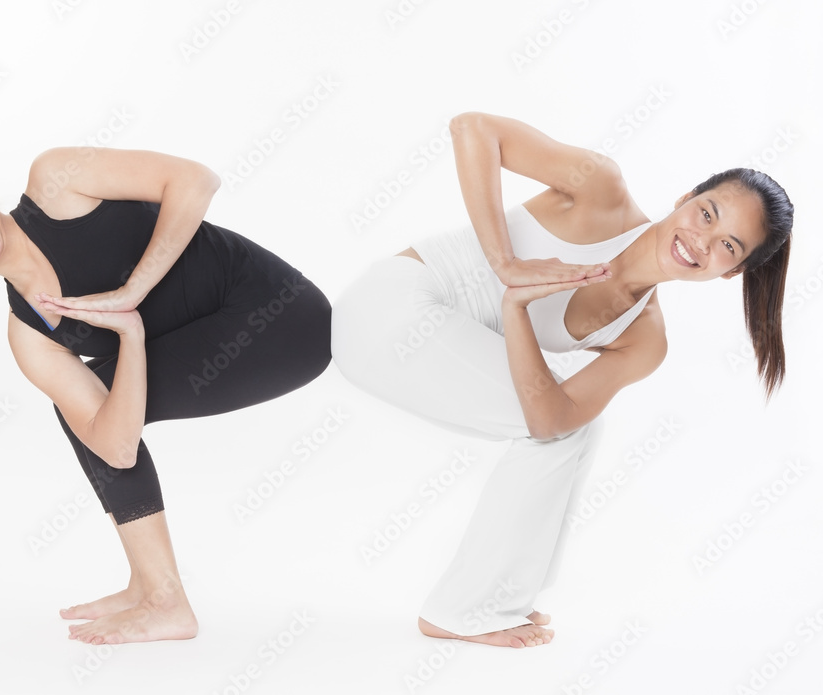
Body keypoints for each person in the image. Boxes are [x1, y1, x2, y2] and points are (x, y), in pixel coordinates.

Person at [331, 112, 793, 648]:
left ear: (730, 273)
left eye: (729, 247)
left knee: (578, 425)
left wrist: (517, 308)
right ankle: (468, 607)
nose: (702, 240)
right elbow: (473, 128)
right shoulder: (602, 190)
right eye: (706, 213)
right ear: (686, 196)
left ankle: (495, 599)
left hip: (407, 352)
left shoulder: (643, 338)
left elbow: (550, 419)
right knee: (566, 428)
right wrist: (505, 264)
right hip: (389, 308)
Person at [0, 147, 333, 645]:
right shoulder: (30, 335)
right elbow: (114, 446)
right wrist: (130, 337)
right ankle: (154, 586)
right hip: (219, 334)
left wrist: (132, 291)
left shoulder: (57, 183)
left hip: (285, 318)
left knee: (92, 407)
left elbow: (196, 180)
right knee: (83, 414)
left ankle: (161, 595)